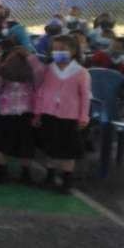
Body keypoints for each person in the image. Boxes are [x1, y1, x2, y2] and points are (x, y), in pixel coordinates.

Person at [33, 35, 91, 194]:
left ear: (73, 51)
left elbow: (85, 97)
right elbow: (40, 92)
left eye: (63, 49)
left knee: (68, 151)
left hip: (70, 117)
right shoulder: (48, 70)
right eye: (55, 49)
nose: (58, 52)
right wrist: (37, 113)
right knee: (50, 148)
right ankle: (49, 176)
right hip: (49, 114)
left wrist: (83, 117)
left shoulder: (81, 72)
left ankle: (67, 180)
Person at [0, 43, 44, 184]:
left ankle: (5, 173)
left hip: (11, 115)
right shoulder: (30, 77)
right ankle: (21, 174)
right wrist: (30, 58)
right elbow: (40, 74)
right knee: (22, 146)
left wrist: (1, 68)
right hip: (20, 115)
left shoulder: (8, 74)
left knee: (5, 145)